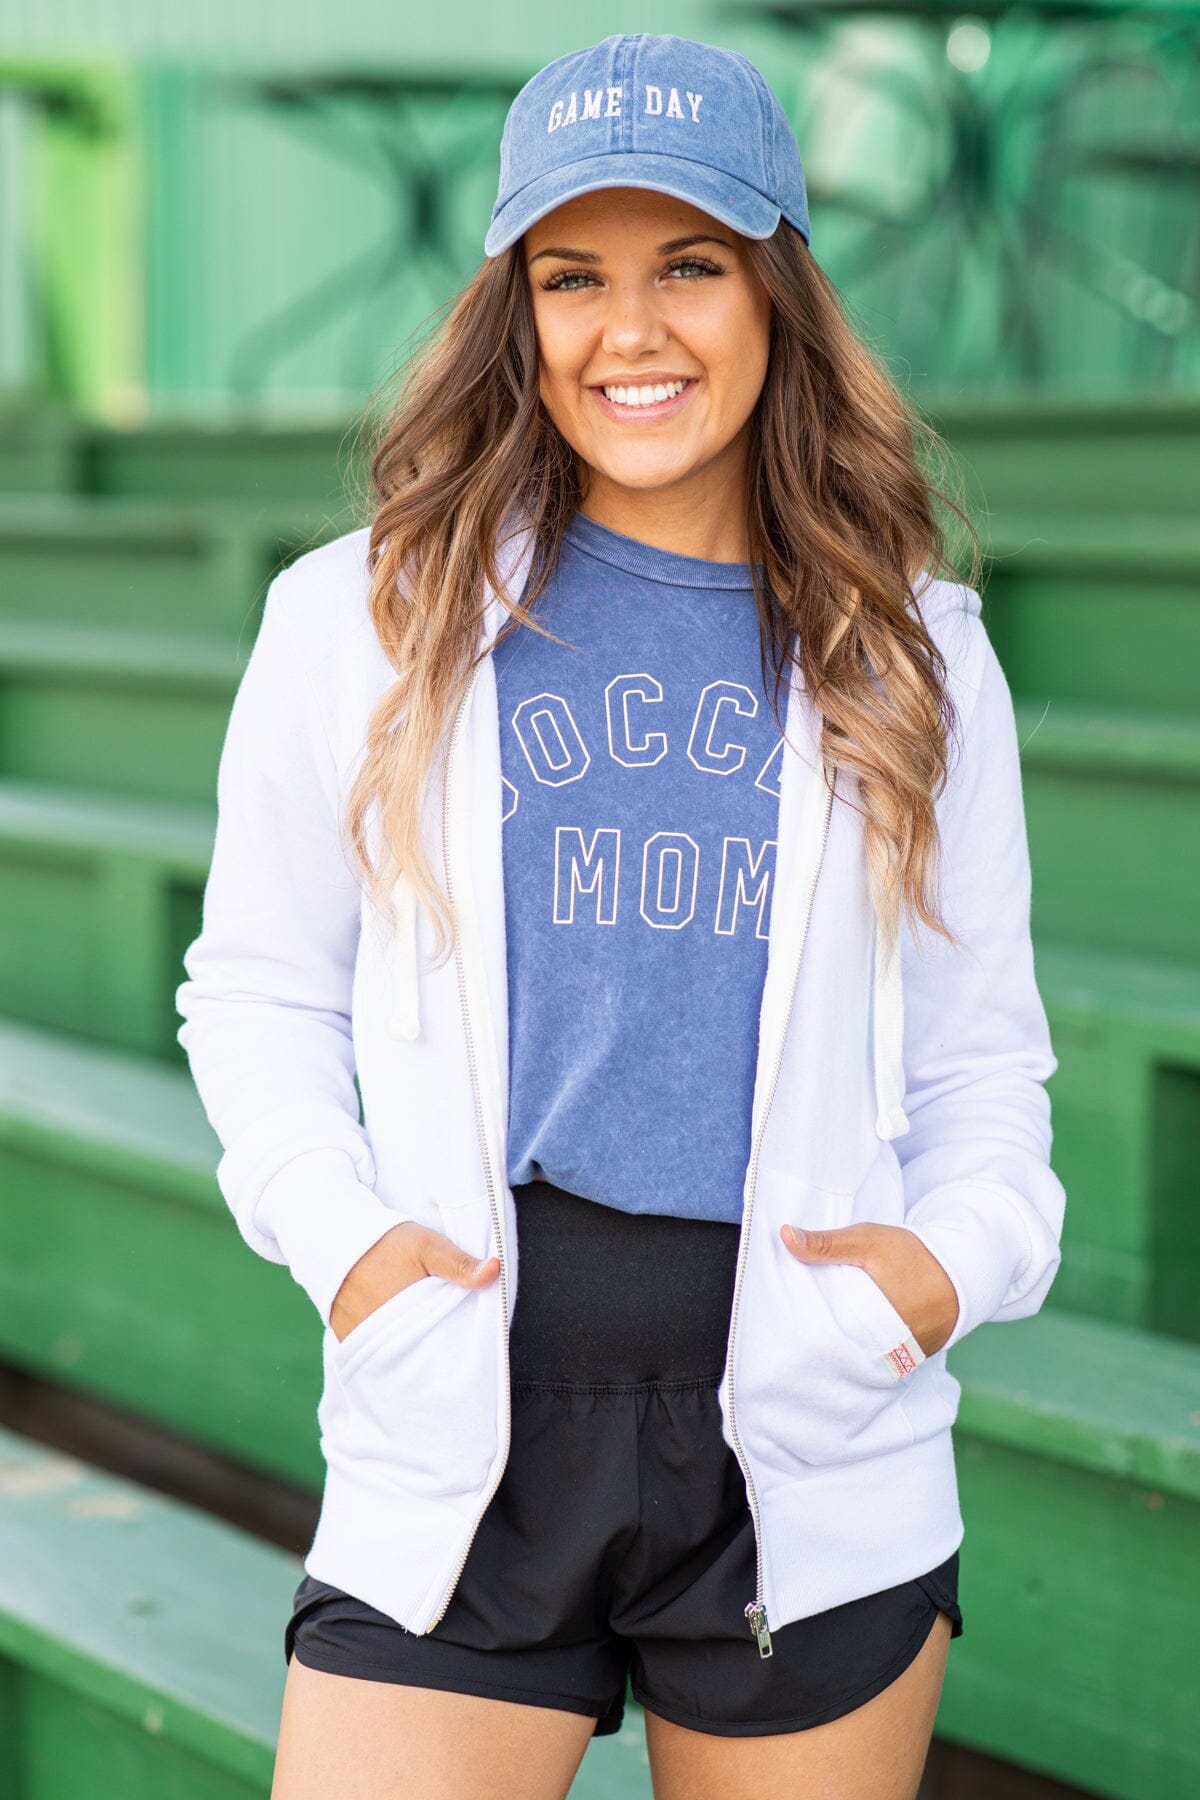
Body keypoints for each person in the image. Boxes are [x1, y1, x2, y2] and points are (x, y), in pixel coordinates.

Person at [176, 32, 1066, 1800]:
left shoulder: (919, 658)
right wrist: (342, 1245)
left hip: (808, 1433)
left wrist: (940, 1276)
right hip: (465, 1424)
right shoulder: (362, 619)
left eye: (691, 266)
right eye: (573, 276)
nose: (629, 330)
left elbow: (989, 1074)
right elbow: (256, 996)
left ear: (778, 290)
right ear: (516, 308)